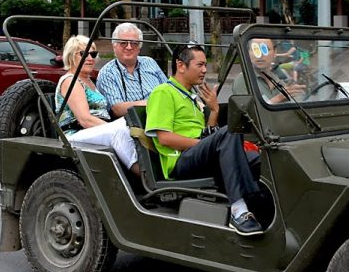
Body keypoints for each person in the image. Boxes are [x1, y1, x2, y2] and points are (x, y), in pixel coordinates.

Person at [145, 44, 265, 236]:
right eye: (200, 65)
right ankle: (238, 209)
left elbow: (205, 133)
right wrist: (203, 145)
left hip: (197, 154)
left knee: (256, 156)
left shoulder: (192, 96)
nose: (204, 70)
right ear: (181, 65)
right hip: (180, 161)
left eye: (205, 66)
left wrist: (214, 109)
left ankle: (261, 205)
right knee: (230, 131)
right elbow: (165, 138)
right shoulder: (163, 92)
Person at [54, 36, 140, 176]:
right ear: (71, 56)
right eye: (83, 53)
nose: (90, 58)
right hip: (74, 134)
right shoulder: (70, 80)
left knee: (137, 127)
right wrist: (115, 127)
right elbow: (85, 119)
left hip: (95, 131)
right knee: (119, 131)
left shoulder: (90, 81)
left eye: (93, 54)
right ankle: (145, 178)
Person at [95, 22, 168, 120]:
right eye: (123, 43)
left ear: (139, 47)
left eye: (134, 43)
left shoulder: (150, 63)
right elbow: (117, 109)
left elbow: (169, 90)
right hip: (131, 126)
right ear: (114, 46)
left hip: (164, 118)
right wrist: (152, 103)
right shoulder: (107, 73)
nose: (129, 47)